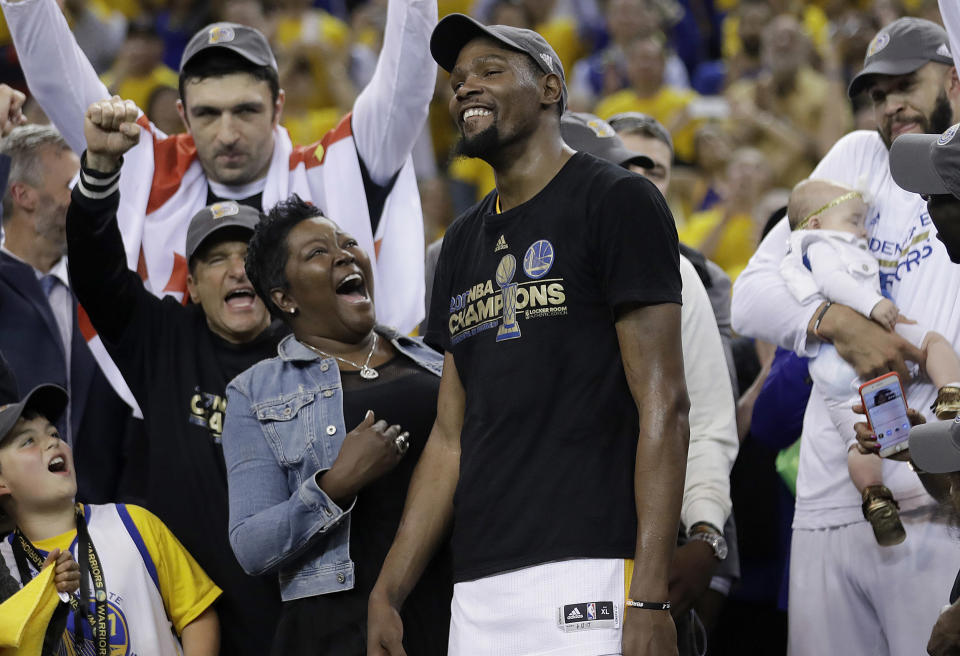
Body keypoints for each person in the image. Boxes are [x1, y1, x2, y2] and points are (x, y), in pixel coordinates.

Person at [369, 15, 689, 656]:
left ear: (549, 89)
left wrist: (650, 594)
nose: (464, 90)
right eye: (456, 81)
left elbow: (666, 404)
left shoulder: (617, 200)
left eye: (490, 71)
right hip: (481, 578)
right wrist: (389, 589)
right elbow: (451, 435)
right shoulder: (460, 240)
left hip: (591, 559)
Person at [1, 0, 436, 378]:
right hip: (178, 431)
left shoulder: (336, 169)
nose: (227, 134)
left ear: (278, 106)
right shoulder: (146, 163)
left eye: (245, 111)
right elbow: (58, 79)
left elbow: (407, 88)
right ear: (182, 114)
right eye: (208, 114)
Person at [730, 16, 960, 656]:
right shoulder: (860, 156)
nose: (890, 106)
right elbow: (752, 294)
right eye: (878, 94)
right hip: (832, 499)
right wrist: (840, 324)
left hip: (939, 501)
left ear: (954, 79)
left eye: (906, 85)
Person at [65, 97, 285, 655]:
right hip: (182, 631)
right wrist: (98, 173)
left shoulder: (308, 352)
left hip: (296, 629)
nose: (238, 269)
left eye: (251, 257)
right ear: (190, 286)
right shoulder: (163, 339)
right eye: (216, 259)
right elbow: (96, 271)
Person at [222, 197, 451, 655]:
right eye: (317, 252)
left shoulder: (438, 360)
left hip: (457, 600)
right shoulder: (254, 392)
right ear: (284, 297)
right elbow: (251, 544)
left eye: (347, 243)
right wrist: (334, 485)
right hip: (340, 628)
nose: (344, 254)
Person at [782, 178, 960, 545]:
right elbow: (834, 282)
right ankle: (951, 393)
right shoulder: (822, 245)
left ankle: (875, 496)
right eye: (854, 221)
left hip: (832, 371)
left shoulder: (794, 258)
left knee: (862, 441)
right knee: (932, 342)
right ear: (814, 223)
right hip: (857, 340)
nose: (863, 231)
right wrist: (874, 305)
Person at [0, 384, 222, 655]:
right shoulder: (5, 568)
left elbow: (197, 615)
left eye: (54, 433)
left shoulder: (132, 522)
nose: (52, 441)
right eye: (28, 441)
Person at [0, 115, 132, 505]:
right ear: (24, 195)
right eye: (72, 186)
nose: (86, 195)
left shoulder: (104, 283)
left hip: (104, 512)